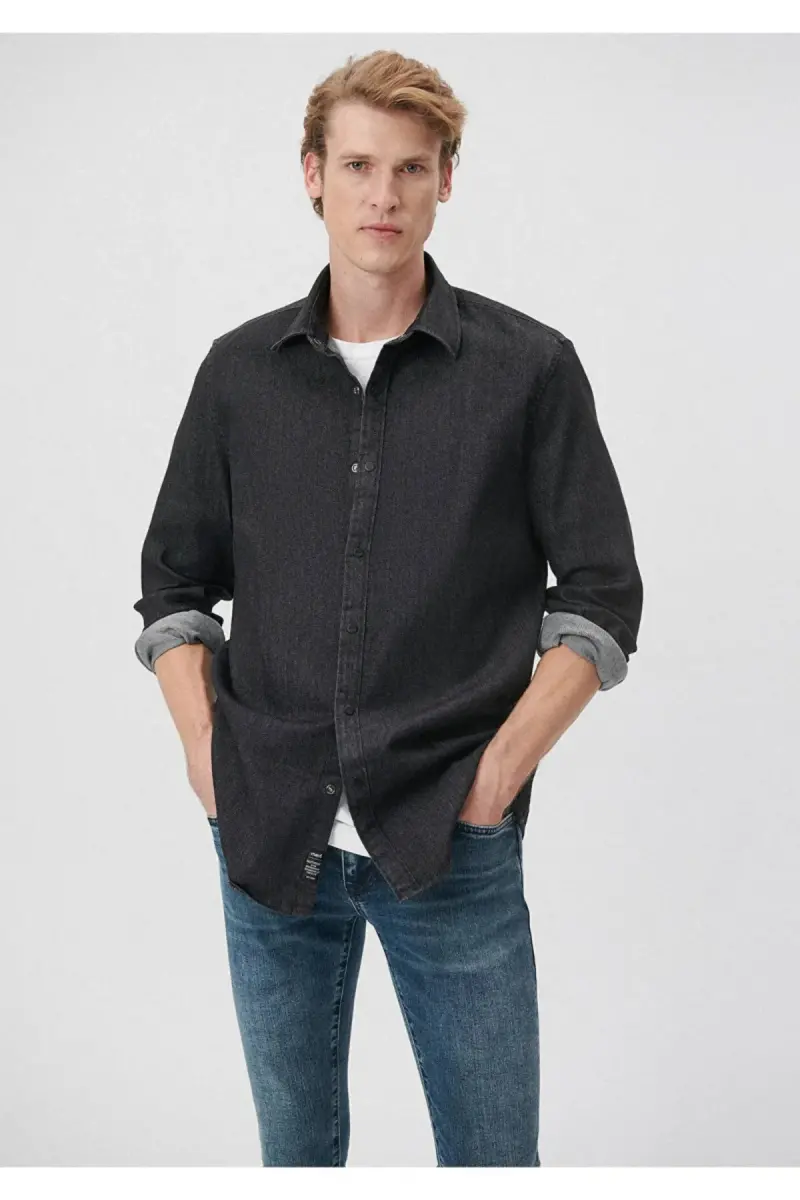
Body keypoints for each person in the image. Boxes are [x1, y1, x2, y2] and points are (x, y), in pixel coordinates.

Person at [133, 49, 643, 1167]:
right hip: (268, 830)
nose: (383, 195)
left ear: (446, 180)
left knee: (492, 1162)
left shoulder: (528, 371)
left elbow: (603, 595)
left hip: (448, 837)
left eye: (411, 168)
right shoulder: (238, 375)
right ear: (311, 175)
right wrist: (206, 753)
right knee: (295, 1160)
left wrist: (495, 778)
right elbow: (173, 582)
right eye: (358, 165)